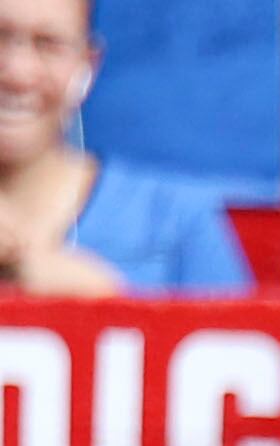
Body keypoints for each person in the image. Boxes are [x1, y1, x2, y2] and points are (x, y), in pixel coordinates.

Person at [0, 0, 251, 296]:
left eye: (49, 44)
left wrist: (110, 308)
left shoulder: (178, 223)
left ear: (88, 64)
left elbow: (239, 334)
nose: (17, 72)